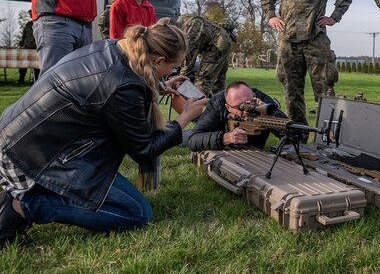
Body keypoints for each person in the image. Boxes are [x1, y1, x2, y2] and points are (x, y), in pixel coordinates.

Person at [0, 18, 208, 246]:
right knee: (137, 214)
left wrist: (158, 85)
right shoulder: (123, 85)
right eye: (172, 67)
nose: (172, 71)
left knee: (130, 206)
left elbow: (108, 87)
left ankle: (28, 195)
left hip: (20, 140)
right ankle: (25, 204)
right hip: (31, 157)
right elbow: (144, 149)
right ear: (158, 60)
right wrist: (184, 118)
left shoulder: (113, 48)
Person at [261, 0, 353, 124]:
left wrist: (334, 17)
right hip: (288, 39)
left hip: (315, 38)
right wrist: (271, 15)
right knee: (291, 91)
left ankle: (327, 137)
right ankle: (298, 138)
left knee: (324, 91)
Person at [187, 81, 287, 151]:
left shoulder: (263, 103)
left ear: (254, 96)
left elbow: (295, 133)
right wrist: (226, 137)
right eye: (241, 107)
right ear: (228, 107)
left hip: (251, 154)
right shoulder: (217, 103)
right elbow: (194, 139)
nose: (247, 110)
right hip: (217, 139)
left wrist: (269, 114)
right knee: (184, 137)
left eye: (249, 103)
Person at [177, 14, 234, 97]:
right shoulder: (183, 21)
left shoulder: (189, 27)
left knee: (203, 80)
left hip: (217, 46)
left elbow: (189, 56)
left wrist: (181, 77)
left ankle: (197, 105)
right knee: (218, 83)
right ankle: (221, 105)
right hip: (221, 42)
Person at [16, 20, 40, 84]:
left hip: (35, 47)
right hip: (28, 47)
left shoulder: (38, 23)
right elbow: (23, 35)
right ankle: (21, 79)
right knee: (24, 65)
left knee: (35, 66)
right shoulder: (29, 24)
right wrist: (21, 43)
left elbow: (23, 35)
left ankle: (34, 80)